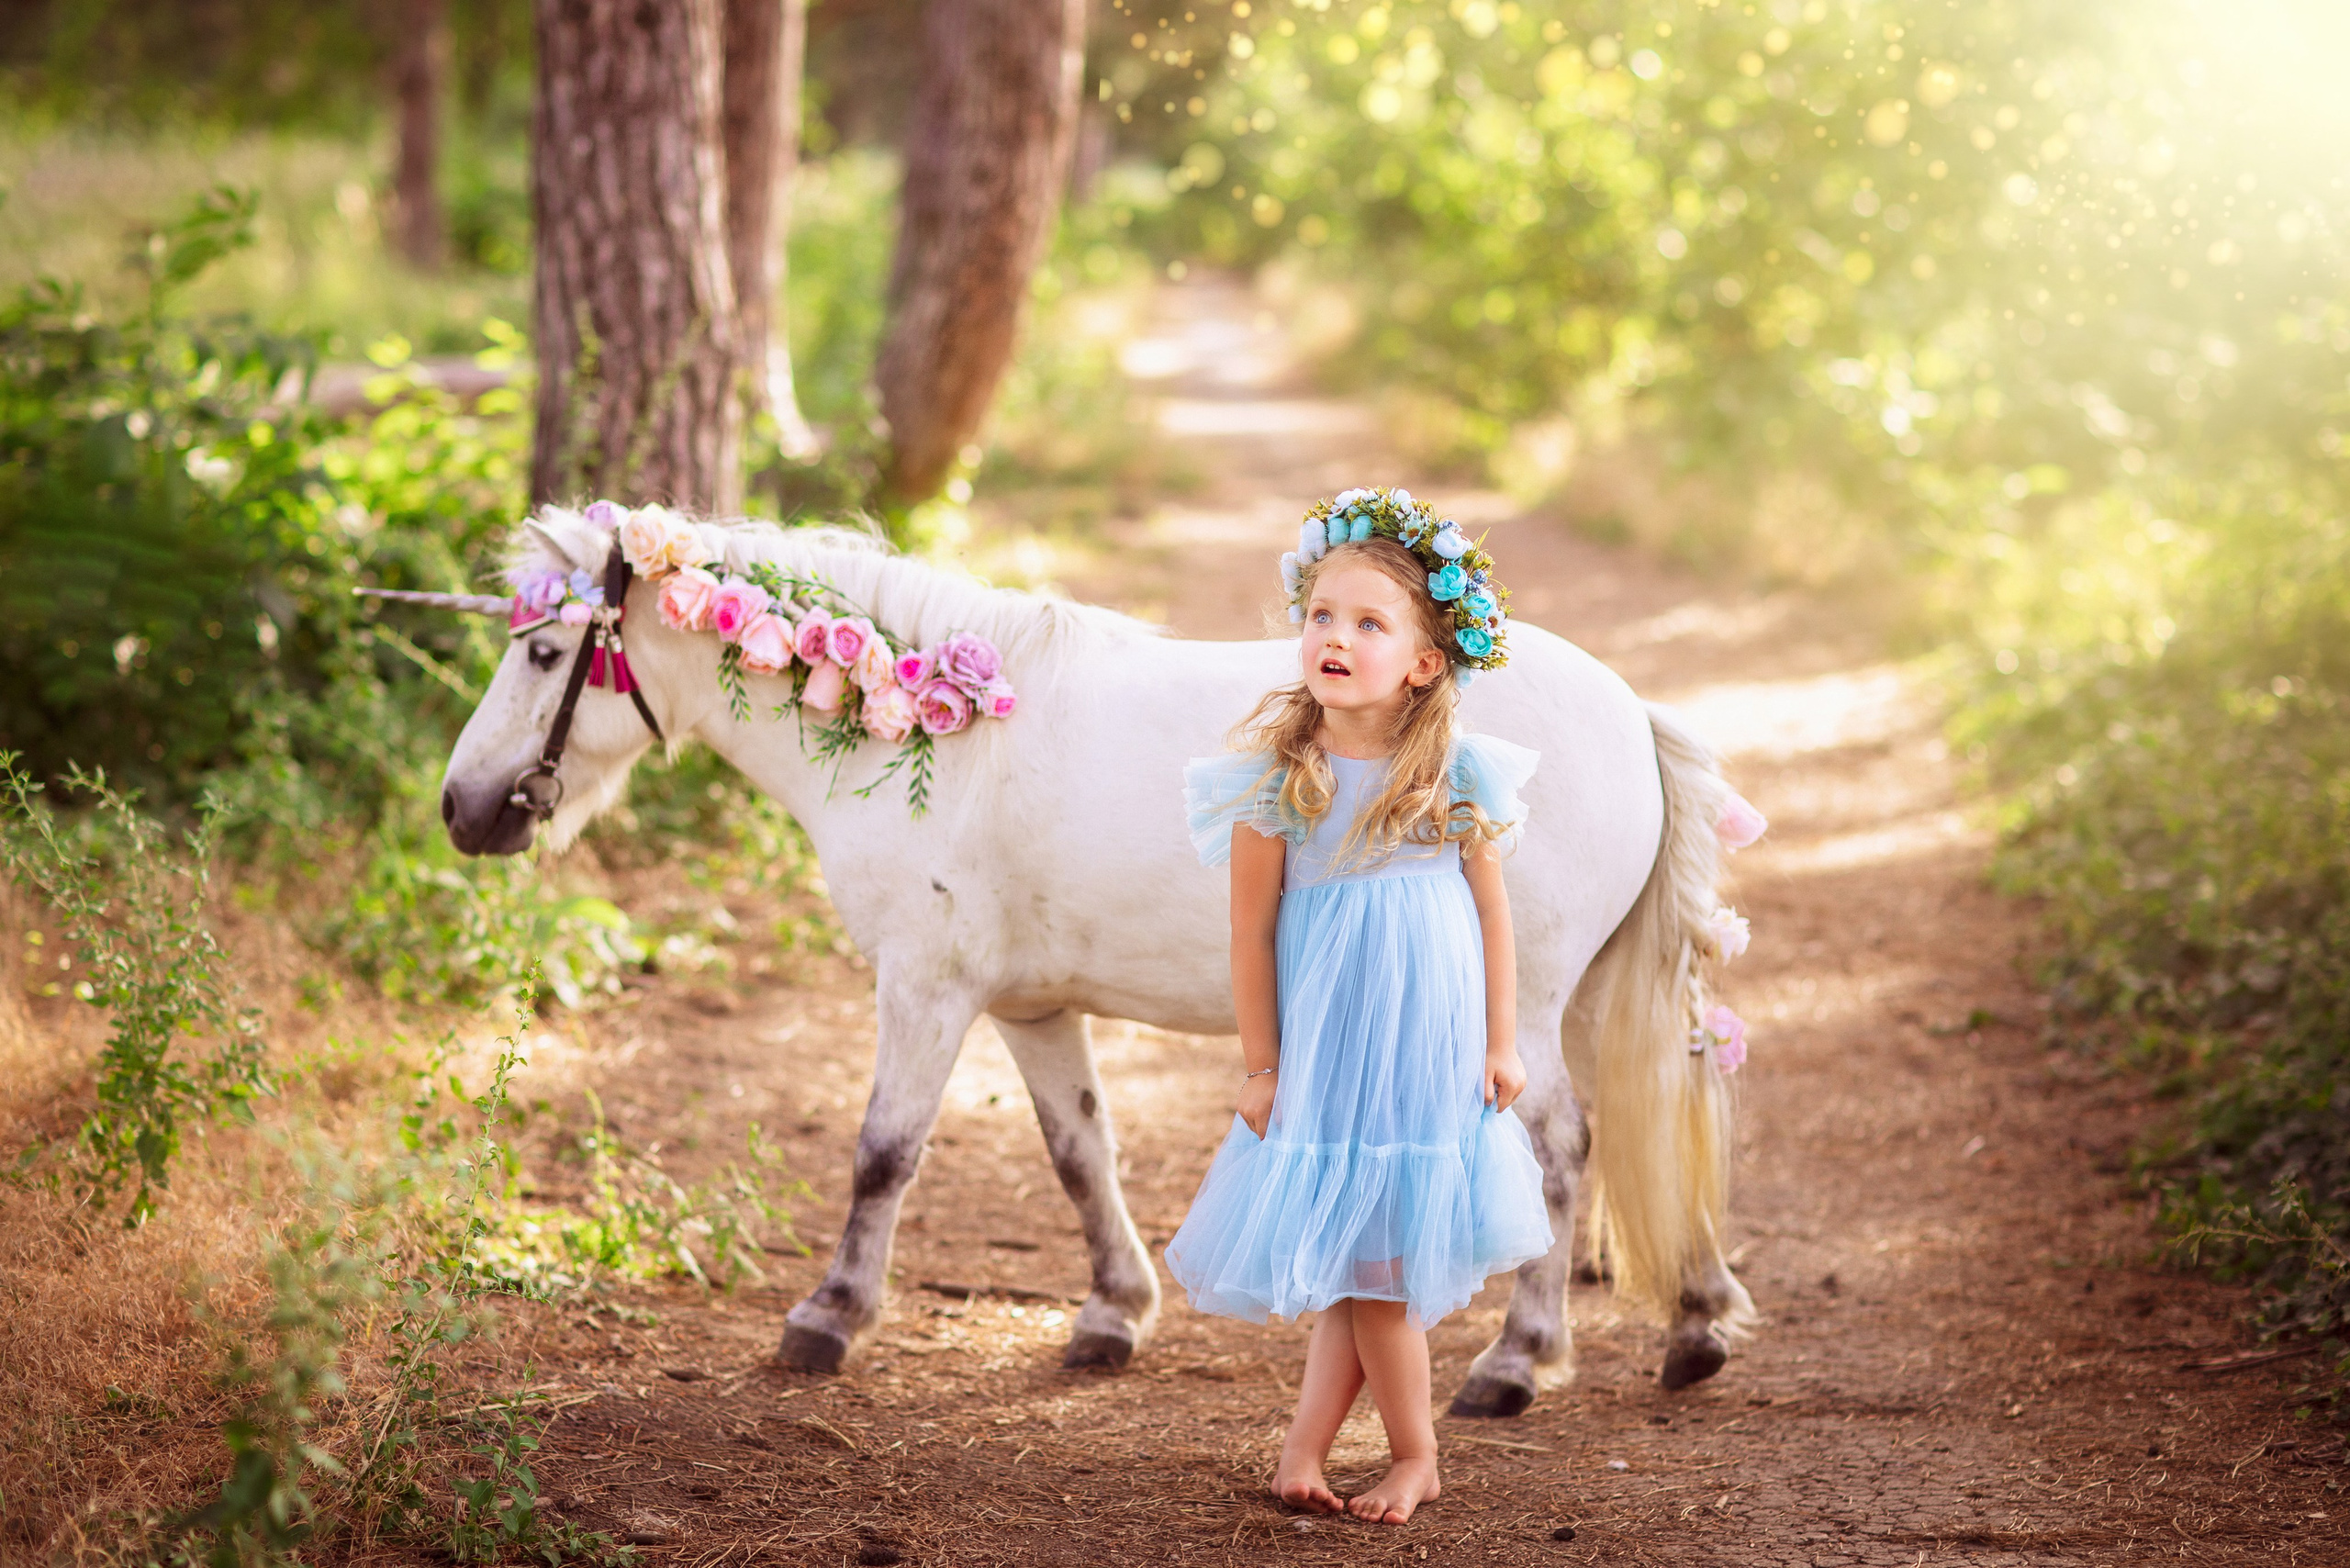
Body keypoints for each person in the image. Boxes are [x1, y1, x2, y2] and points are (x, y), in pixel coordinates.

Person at [1167, 487, 1552, 1526]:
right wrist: (1261, 1064)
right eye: (1320, 616)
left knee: (1374, 1265)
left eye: (1368, 623)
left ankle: (1414, 1455)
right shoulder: (1273, 779)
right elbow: (1250, 934)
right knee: (1358, 1257)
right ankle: (1306, 1450)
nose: (1334, 637)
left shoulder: (1453, 773)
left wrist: (1502, 1040)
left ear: (1424, 661)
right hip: (1333, 1037)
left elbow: (1491, 914)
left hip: (1425, 1036)